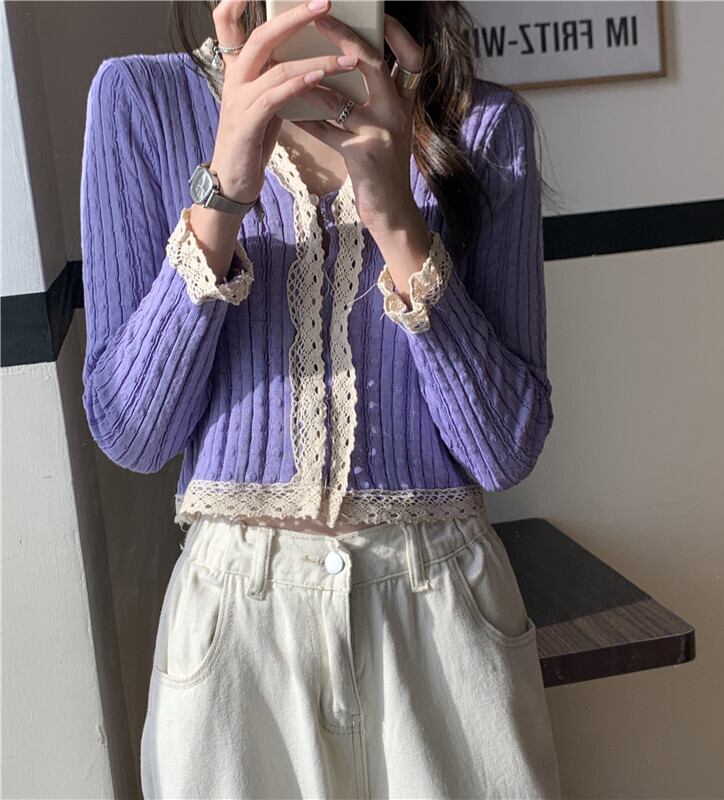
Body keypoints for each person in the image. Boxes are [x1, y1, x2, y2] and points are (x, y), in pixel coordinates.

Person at [80, 0, 560, 796]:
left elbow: (504, 450)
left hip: (440, 617)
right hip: (239, 639)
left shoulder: (482, 125)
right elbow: (134, 433)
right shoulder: (143, 100)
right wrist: (223, 194)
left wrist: (397, 221)